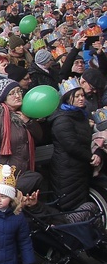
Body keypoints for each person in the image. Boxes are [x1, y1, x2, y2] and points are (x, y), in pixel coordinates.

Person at [49, 78, 104, 211]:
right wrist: (90, 157)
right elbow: (71, 145)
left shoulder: (80, 116)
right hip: (67, 170)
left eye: (82, 95)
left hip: (80, 168)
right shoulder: (62, 119)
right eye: (77, 96)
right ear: (68, 98)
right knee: (68, 206)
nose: (81, 99)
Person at [0, 79, 42, 191]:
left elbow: (39, 136)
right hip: (3, 179)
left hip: (22, 174)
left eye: (19, 91)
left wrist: (28, 121)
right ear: (3, 98)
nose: (17, 96)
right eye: (12, 93)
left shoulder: (25, 114)